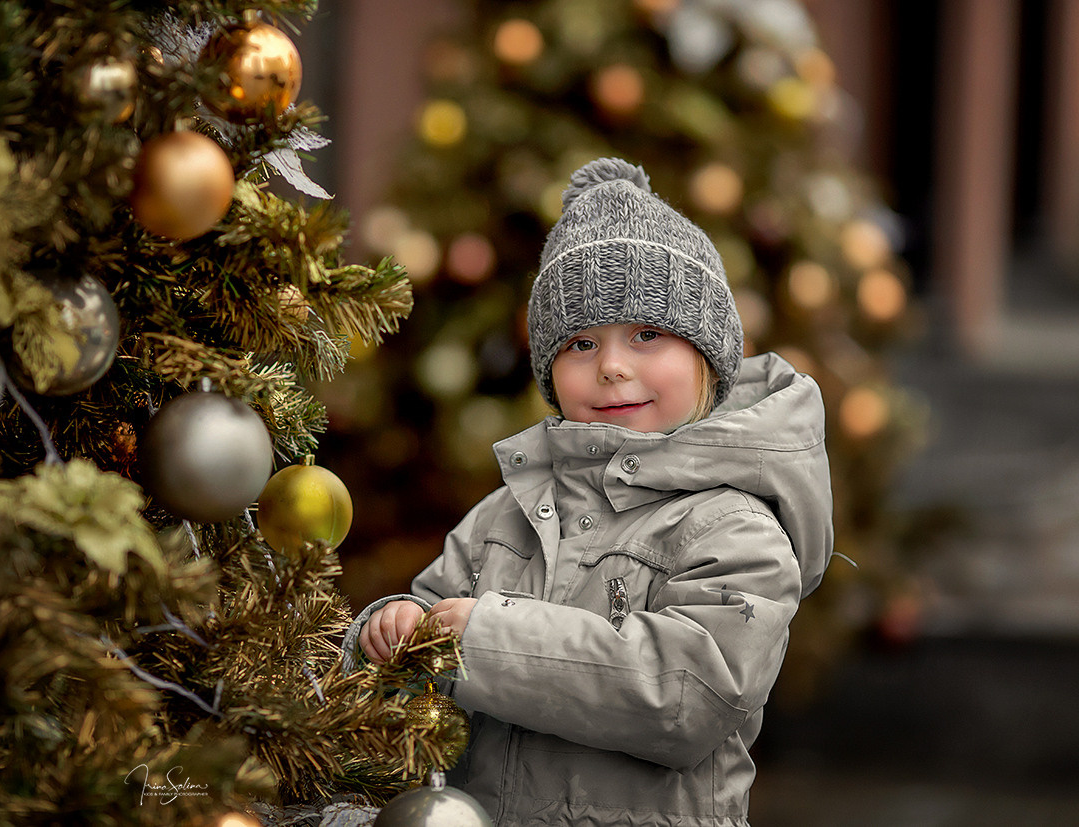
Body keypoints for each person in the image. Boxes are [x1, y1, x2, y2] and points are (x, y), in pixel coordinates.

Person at [344, 157, 833, 826]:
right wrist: (391, 628)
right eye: (579, 342)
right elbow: (431, 614)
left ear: (708, 357)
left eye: (647, 334)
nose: (610, 366)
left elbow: (685, 695)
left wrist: (480, 639)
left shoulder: (733, 525)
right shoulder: (508, 514)